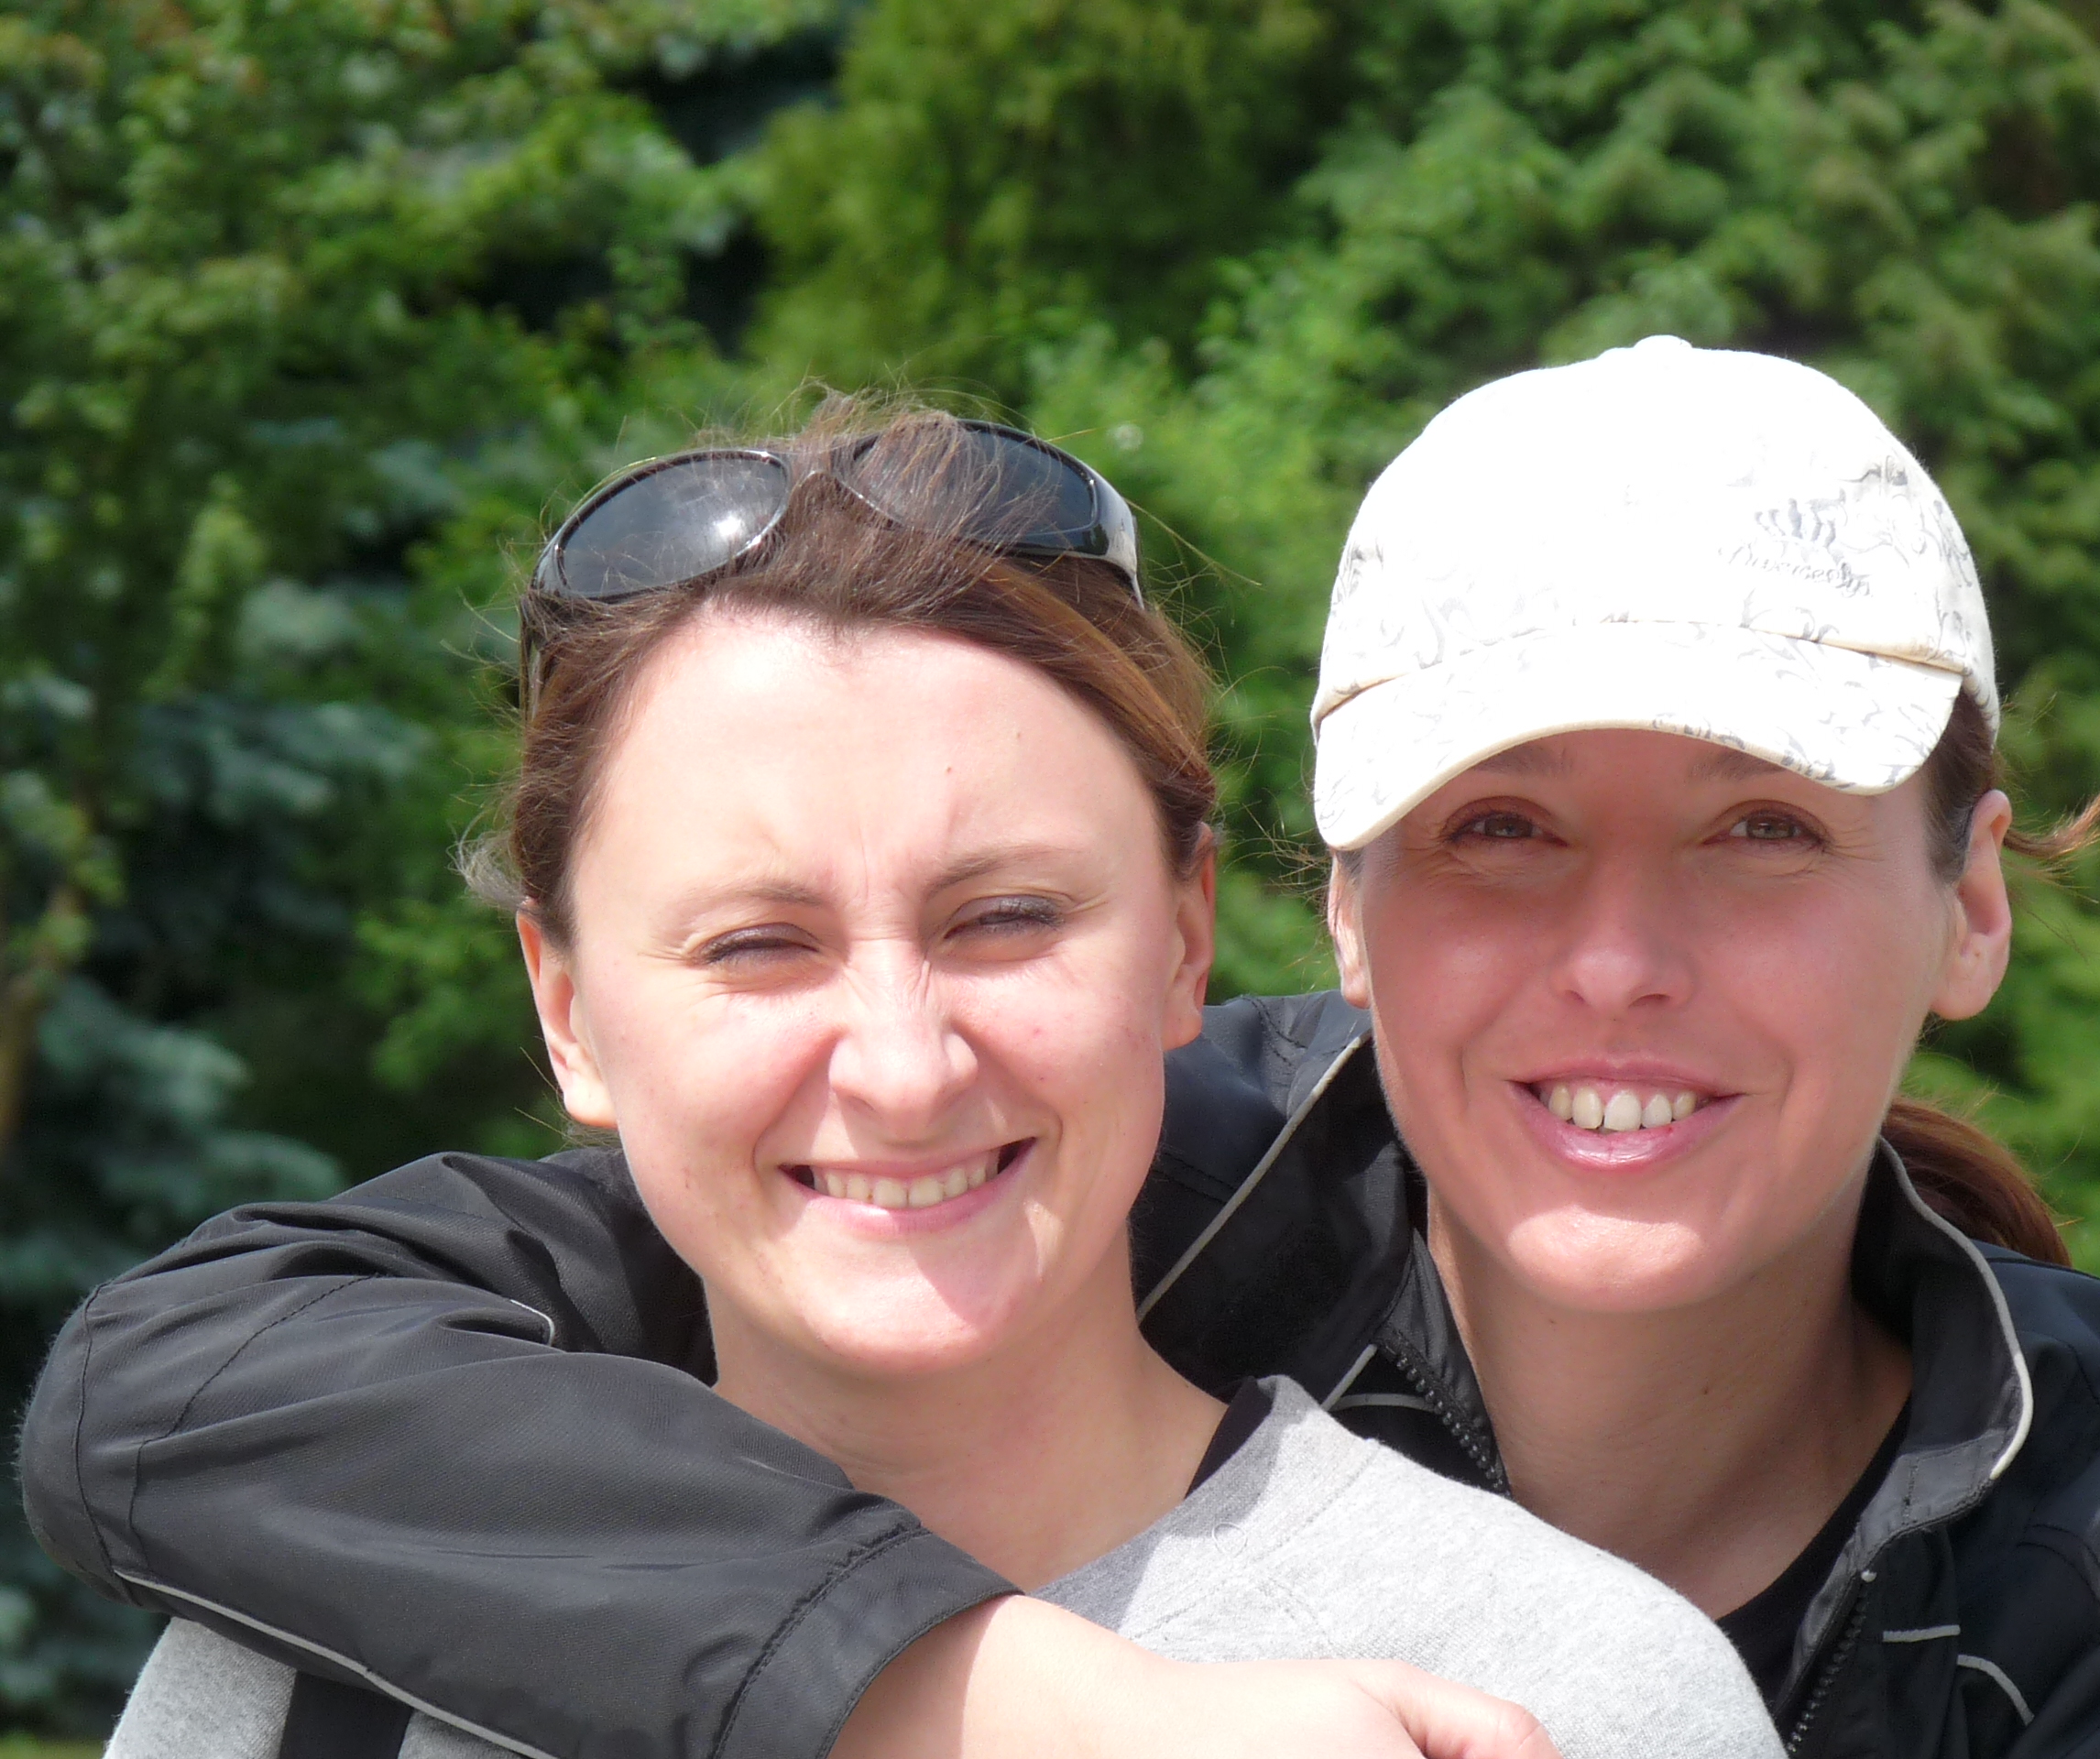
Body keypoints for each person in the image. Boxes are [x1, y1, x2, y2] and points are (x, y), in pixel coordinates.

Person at [28, 341, 2100, 1759]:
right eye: (1498, 830)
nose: (1618, 962)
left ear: (1970, 899)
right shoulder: (1118, 1168)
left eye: (1760, 831)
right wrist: (992, 1689)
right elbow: (192, 1372)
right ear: (1329, 911)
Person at [92, 404, 1777, 1759]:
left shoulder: (1558, 1697)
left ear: (1185, 940)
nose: (902, 1067)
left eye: (1007, 918)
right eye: (759, 943)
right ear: (569, 1011)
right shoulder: (325, 1670)